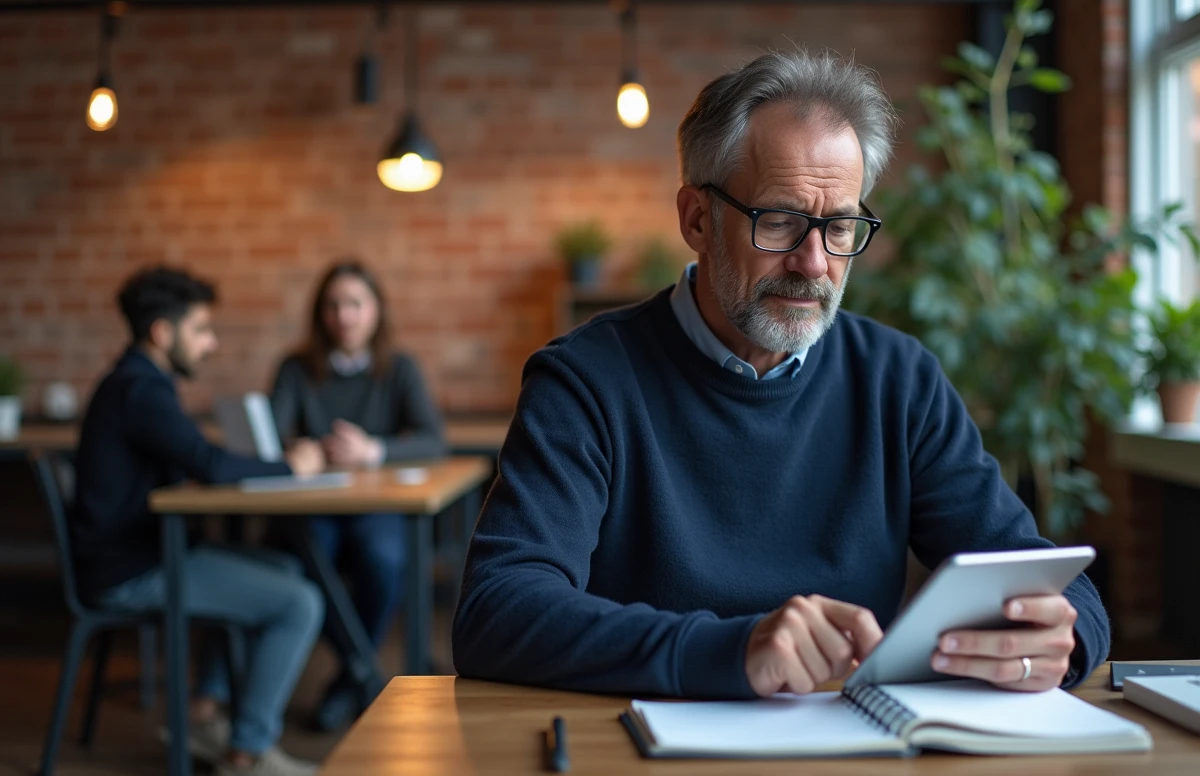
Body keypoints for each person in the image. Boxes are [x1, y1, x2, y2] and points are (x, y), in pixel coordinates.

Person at [452, 51, 1109, 699]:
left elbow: (1040, 572)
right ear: (697, 220)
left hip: (847, 745)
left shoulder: (898, 380)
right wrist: (729, 652)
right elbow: (497, 610)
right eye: (782, 221)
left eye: (841, 226)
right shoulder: (586, 381)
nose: (814, 263)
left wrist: (1060, 636)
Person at [72, 266, 327, 776]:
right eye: (202, 330)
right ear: (163, 333)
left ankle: (204, 714)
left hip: (141, 553)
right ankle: (246, 754)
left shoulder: (136, 382)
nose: (210, 344)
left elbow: (191, 461)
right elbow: (208, 464)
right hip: (132, 571)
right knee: (300, 603)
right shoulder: (141, 391)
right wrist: (291, 466)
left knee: (285, 570)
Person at [270, 260, 446, 729]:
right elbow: (271, 435)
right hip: (315, 506)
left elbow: (434, 438)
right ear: (319, 314)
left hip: (377, 505)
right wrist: (301, 448)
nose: (343, 316)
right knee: (307, 558)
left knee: (384, 558)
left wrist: (375, 450)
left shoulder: (400, 368)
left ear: (375, 311)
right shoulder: (296, 368)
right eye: (332, 305)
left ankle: (350, 677)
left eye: (354, 304)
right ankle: (365, 673)